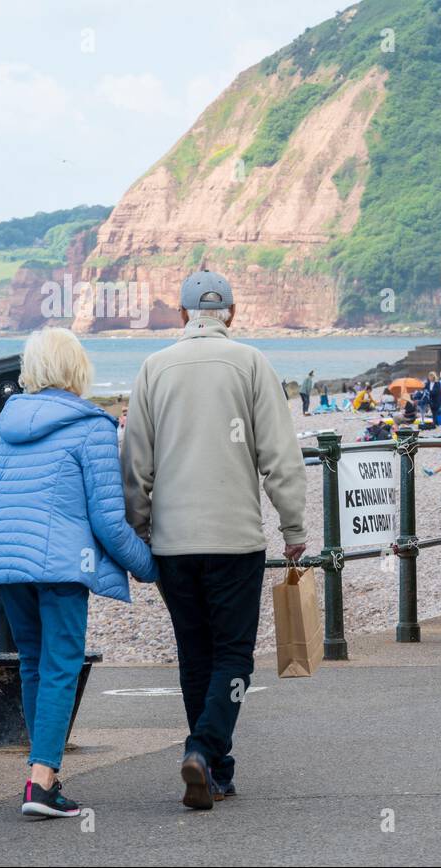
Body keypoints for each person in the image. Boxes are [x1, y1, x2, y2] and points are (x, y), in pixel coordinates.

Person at [0, 328, 157, 818]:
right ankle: (39, 785)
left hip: (8, 566)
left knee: (36, 664)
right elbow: (108, 519)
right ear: (77, 368)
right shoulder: (93, 426)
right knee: (60, 665)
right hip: (62, 567)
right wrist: (152, 568)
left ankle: (45, 778)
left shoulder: (3, 430)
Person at [122, 269, 307, 809]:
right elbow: (279, 457)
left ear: (182, 315)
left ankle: (216, 770)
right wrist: (293, 529)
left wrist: (139, 529)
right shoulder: (251, 363)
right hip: (235, 539)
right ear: (231, 312)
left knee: (194, 654)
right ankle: (202, 749)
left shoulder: (153, 369)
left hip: (173, 542)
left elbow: (136, 463)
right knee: (233, 656)